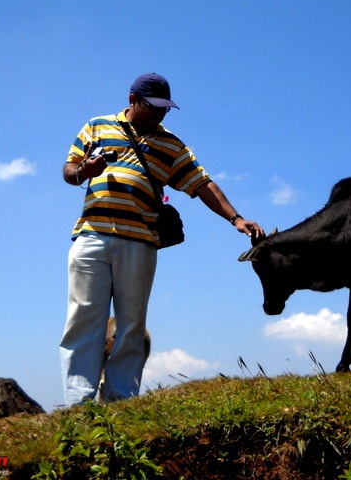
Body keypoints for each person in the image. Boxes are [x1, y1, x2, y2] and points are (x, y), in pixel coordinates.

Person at [59, 72, 264, 405]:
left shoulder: (171, 144)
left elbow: (202, 184)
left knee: (132, 324)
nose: (159, 114)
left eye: (164, 109)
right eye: (152, 107)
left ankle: (121, 402)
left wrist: (236, 219)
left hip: (140, 241)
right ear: (132, 101)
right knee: (83, 319)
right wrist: (86, 171)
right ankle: (79, 406)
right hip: (91, 235)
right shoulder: (96, 126)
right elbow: (69, 171)